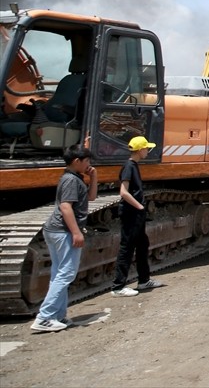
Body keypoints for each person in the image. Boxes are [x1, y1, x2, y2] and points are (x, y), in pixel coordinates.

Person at [30, 144, 98, 332]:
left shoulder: (75, 178)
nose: (89, 165)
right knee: (66, 273)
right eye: (87, 162)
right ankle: (44, 317)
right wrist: (76, 232)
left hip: (57, 230)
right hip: (62, 231)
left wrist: (93, 177)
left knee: (59, 274)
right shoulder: (71, 180)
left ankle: (58, 315)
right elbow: (66, 207)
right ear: (77, 161)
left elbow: (91, 197)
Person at [111, 136, 163, 297]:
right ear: (140, 150)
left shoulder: (133, 165)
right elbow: (123, 192)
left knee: (142, 245)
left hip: (136, 213)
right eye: (147, 148)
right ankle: (118, 286)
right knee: (127, 248)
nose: (148, 151)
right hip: (131, 213)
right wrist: (139, 206)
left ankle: (144, 280)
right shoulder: (129, 166)